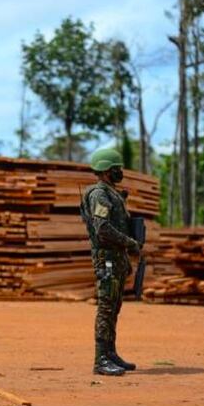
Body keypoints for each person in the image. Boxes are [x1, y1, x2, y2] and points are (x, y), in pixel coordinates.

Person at [80, 148, 140, 376]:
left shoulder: (110, 193)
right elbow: (102, 228)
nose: (120, 172)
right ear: (106, 170)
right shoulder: (99, 194)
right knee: (106, 308)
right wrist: (129, 242)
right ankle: (100, 360)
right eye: (117, 168)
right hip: (107, 259)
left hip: (116, 259)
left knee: (114, 307)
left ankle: (110, 353)